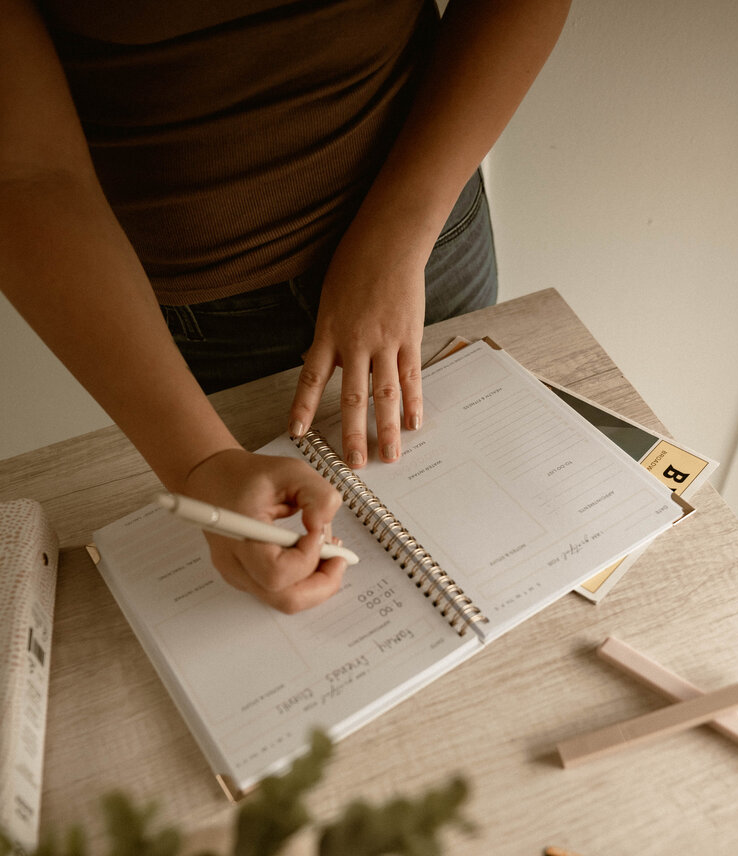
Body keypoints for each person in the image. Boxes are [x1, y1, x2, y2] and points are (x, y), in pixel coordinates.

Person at [0, 0, 571, 612]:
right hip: (193, 316)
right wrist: (200, 466)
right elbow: (28, 174)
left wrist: (398, 240)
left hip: (425, 245)